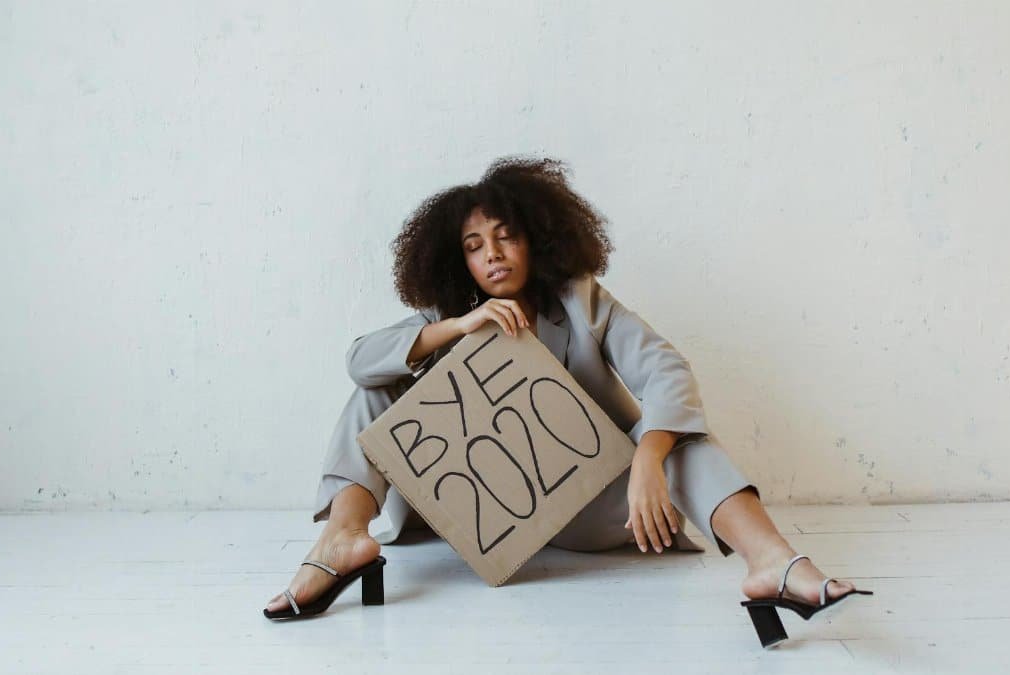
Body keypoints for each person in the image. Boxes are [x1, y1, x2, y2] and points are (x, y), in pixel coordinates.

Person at [264, 157, 868, 641]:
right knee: (377, 383)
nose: (492, 254)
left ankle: (772, 564)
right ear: (458, 260)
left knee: (680, 438)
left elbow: (666, 369)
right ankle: (343, 539)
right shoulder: (447, 317)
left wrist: (649, 456)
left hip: (591, 507)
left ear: (537, 241)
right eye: (474, 245)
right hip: (482, 515)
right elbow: (359, 360)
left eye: (506, 237)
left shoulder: (581, 301)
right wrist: (458, 327)